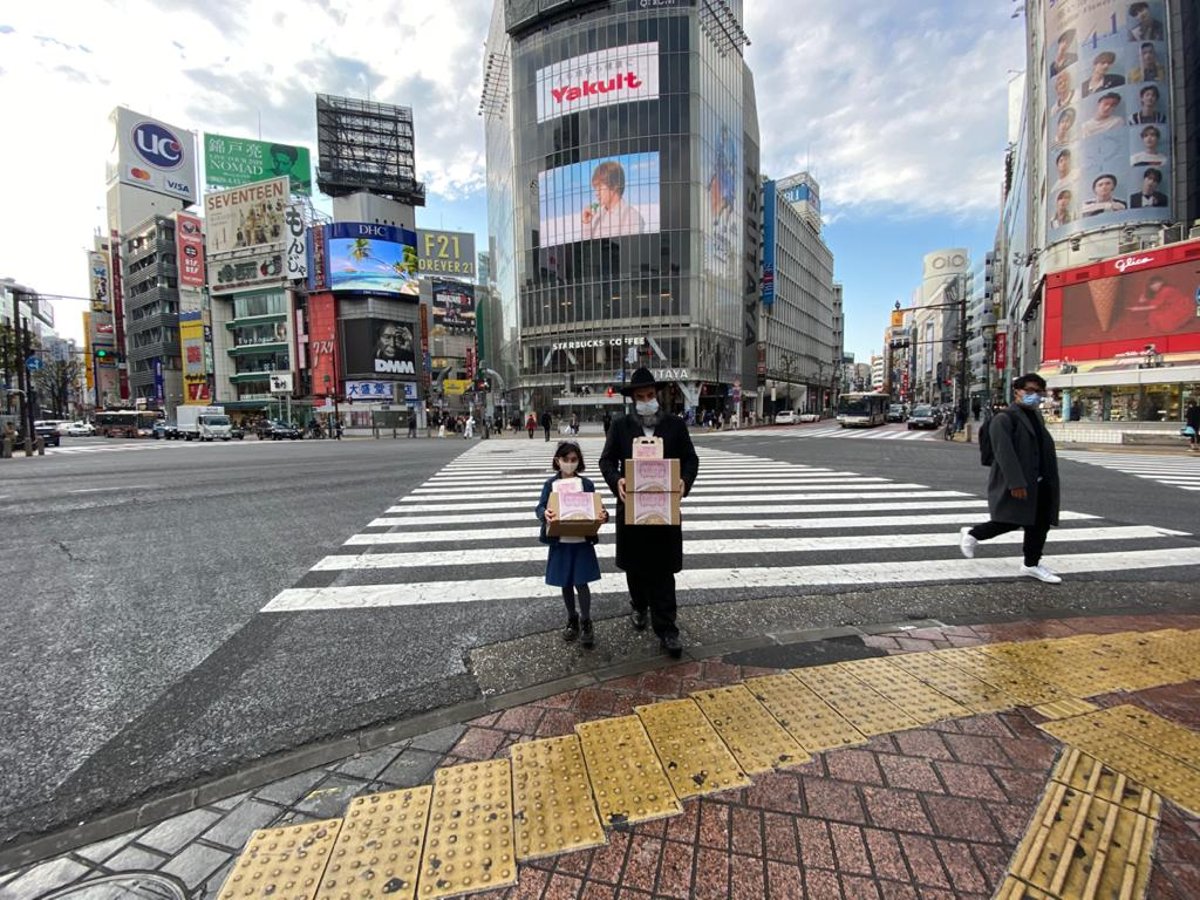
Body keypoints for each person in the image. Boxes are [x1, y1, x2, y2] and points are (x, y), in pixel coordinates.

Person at [599, 367, 699, 659]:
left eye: (650, 395)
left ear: (658, 395)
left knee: (664, 568)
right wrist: (616, 478)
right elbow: (606, 460)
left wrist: (684, 481)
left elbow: (691, 460)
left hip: (664, 508)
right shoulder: (620, 426)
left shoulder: (675, 426)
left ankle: (667, 629)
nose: (646, 400)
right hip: (631, 507)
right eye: (641, 396)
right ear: (632, 399)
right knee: (635, 567)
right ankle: (639, 604)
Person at [960, 373, 1062, 584]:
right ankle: (973, 534)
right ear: (1017, 391)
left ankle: (1031, 564)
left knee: (1040, 523)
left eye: (1039, 392)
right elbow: (1004, 453)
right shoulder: (1004, 418)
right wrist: (1016, 482)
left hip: (1041, 481)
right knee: (1009, 520)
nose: (1035, 396)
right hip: (1019, 481)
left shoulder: (1036, 416)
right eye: (1030, 391)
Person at [536, 441, 609, 648]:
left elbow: (598, 508)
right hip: (560, 541)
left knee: (581, 582)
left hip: (581, 541)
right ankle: (572, 618)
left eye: (573, 460)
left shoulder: (586, 484)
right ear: (557, 461)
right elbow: (540, 507)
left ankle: (586, 620)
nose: (569, 463)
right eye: (565, 459)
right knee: (565, 582)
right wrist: (545, 514)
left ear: (579, 462)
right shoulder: (550, 484)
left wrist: (604, 515)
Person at [581, 161, 646, 239]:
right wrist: (586, 223)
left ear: (615, 185)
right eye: (595, 188)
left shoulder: (632, 217)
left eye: (600, 187)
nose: (596, 193)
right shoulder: (596, 215)